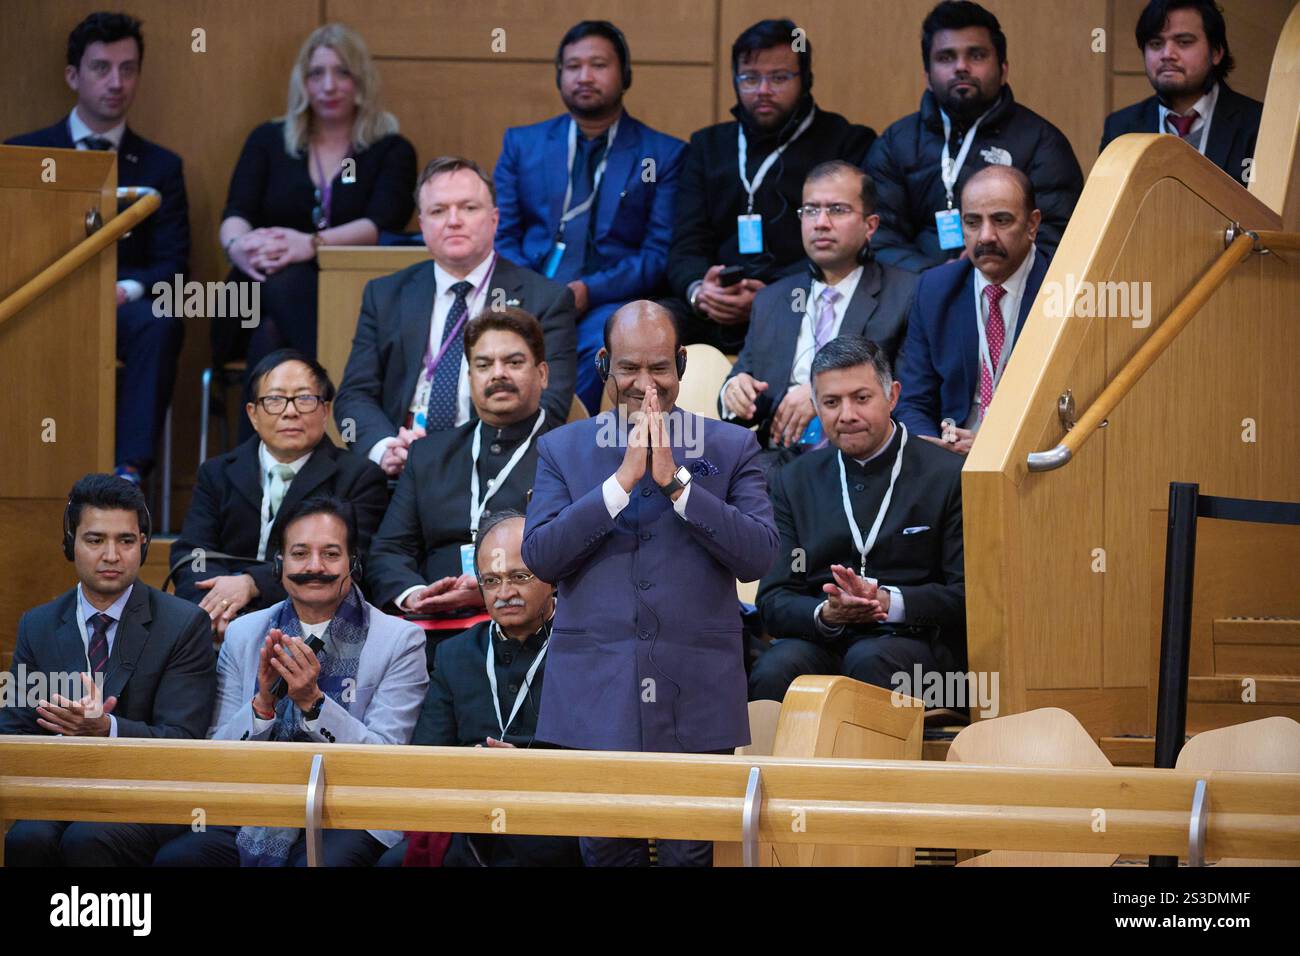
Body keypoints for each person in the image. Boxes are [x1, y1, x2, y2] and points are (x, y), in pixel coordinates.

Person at [522, 300, 779, 866]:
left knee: (693, 855)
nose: (646, 384)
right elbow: (540, 555)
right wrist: (619, 484)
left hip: (698, 690)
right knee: (608, 853)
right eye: (629, 368)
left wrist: (678, 484)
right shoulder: (563, 449)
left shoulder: (733, 447)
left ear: (682, 363)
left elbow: (758, 555)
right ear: (603, 365)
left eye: (659, 367)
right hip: (596, 692)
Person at [154, 496, 429, 867]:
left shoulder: (400, 640)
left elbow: (386, 764)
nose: (315, 567)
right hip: (254, 805)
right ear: (279, 565)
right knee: (180, 859)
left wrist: (314, 703)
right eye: (300, 554)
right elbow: (215, 755)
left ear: (353, 564)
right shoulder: (244, 633)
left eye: (331, 554)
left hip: (353, 812)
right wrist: (263, 705)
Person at [6, 12, 189, 486]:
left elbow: (173, 267)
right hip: (36, 304)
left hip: (120, 311)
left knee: (161, 319)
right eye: (101, 67)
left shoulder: (161, 166)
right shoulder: (23, 155)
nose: (116, 81)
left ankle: (127, 475)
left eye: (128, 69)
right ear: (73, 75)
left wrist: (125, 291)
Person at [1, 474, 215, 866]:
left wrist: (108, 729)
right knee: (26, 837)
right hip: (62, 791)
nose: (111, 555)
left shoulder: (184, 624)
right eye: (95, 540)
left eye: (126, 541)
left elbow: (184, 740)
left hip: (150, 795)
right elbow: (13, 730)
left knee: (89, 838)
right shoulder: (39, 624)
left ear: (143, 546)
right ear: (71, 544)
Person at [748, 336, 965, 701]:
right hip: (827, 637)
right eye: (831, 402)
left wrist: (886, 601)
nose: (846, 415)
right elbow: (773, 599)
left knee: (870, 661)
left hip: (918, 644)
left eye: (861, 398)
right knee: (775, 670)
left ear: (892, 396)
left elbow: (966, 597)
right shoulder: (794, 480)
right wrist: (826, 613)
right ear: (816, 405)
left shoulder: (948, 474)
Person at [334, 156, 578, 478]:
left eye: (468, 208)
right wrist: (385, 447)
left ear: (494, 219)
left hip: (492, 472)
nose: (453, 221)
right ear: (422, 226)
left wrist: (447, 455)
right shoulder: (385, 295)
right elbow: (355, 394)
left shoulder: (544, 300)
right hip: (398, 473)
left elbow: (551, 407)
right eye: (438, 211)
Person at [494, 20, 686, 413]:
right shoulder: (522, 144)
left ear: (624, 74)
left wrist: (590, 290)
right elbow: (503, 235)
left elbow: (656, 254)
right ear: (559, 75)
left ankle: (562, 445)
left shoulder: (662, 154)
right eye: (572, 66)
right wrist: (535, 290)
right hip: (528, 293)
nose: (584, 76)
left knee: (600, 349)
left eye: (598, 65)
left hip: (605, 302)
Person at [378, 511, 583, 867]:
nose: (505, 593)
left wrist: (530, 771)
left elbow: (606, 760)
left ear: (553, 577)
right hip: (471, 822)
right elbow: (427, 760)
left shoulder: (588, 650)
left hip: (557, 819)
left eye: (520, 576)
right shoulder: (454, 654)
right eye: (491, 580)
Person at [214, 23, 416, 385]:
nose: (328, 86)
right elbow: (236, 213)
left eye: (342, 73)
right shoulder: (268, 140)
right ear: (302, 83)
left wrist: (309, 245)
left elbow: (383, 224)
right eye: (316, 73)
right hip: (252, 289)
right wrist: (238, 247)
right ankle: (344, 392)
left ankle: (262, 442)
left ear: (361, 81)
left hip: (348, 293)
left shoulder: (390, 149)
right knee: (278, 286)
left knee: (272, 337)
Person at [666, 18, 876, 354]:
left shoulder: (847, 142)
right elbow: (685, 243)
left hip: (803, 298)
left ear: (806, 79)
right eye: (750, 78)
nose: (763, 90)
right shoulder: (707, 146)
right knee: (648, 322)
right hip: (713, 307)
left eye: (779, 77)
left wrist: (770, 295)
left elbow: (849, 245)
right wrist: (699, 291)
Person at [170, 350, 388, 637]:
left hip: (313, 627)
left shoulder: (359, 477)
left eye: (304, 398)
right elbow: (193, 553)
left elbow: (356, 566)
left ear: (325, 412)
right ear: (253, 414)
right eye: (274, 399)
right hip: (220, 622)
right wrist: (217, 606)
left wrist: (252, 584)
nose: (290, 411)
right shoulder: (217, 472)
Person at [720, 161, 918, 462]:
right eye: (810, 210)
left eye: (837, 210)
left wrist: (822, 398)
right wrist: (734, 392)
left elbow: (909, 399)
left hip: (858, 461)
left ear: (871, 225)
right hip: (774, 464)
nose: (820, 222)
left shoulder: (905, 295)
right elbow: (744, 381)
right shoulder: (772, 299)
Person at [865, 1, 1082, 272]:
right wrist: (937, 281)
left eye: (976, 55)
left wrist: (980, 277)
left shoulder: (1043, 143)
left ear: (1003, 70)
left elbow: (1056, 239)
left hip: (1009, 296)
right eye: (946, 57)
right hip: (914, 298)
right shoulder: (896, 143)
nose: (961, 67)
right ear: (927, 77)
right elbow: (879, 237)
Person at [367, 309, 556, 617]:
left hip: (537, 630)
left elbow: (584, 558)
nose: (498, 374)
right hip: (432, 631)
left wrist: (490, 592)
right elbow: (389, 550)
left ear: (542, 374)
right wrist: (416, 595)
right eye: (483, 365)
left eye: (514, 362)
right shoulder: (428, 455)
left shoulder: (570, 453)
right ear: (470, 378)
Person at [894, 164, 1049, 450]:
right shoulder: (935, 289)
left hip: (1031, 456)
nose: (986, 236)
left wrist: (996, 446)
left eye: (1001, 220)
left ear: (1032, 224)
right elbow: (913, 401)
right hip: (950, 459)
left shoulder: (1063, 289)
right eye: (973, 222)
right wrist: (931, 449)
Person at [1100, 0, 1262, 186]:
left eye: (1184, 42)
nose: (1167, 54)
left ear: (1216, 52)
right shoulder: (1120, 129)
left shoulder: (1257, 124)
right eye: (1155, 43)